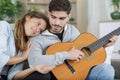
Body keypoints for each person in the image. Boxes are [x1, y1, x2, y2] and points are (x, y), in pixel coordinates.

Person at [28, 0, 118, 80]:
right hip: (56, 75)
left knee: (106, 69)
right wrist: (66, 55)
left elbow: (83, 53)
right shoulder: (37, 36)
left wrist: (103, 46)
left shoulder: (72, 30)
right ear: (48, 14)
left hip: (79, 73)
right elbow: (34, 61)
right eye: (53, 17)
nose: (56, 23)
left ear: (68, 16)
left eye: (61, 18)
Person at [0, 11, 52, 80]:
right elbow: (1, 58)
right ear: (28, 17)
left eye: (40, 30)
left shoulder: (26, 46)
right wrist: (23, 57)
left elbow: (12, 76)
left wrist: (35, 68)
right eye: (38, 24)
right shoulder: (4, 27)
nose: (37, 30)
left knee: (44, 76)